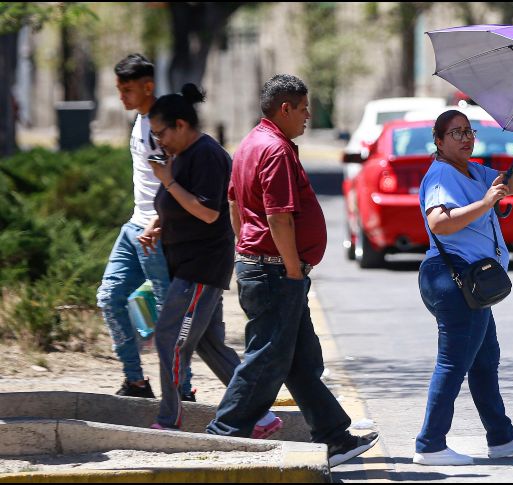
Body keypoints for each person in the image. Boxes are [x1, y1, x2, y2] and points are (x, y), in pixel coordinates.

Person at [205, 74, 379, 467]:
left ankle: (334, 438)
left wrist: (247, 248)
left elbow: (236, 206)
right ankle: (223, 433)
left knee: (300, 361)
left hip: (262, 266)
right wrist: (291, 270)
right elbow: (278, 217)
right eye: (303, 108)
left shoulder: (250, 143)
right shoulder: (276, 150)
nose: (308, 115)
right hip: (275, 272)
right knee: (266, 358)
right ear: (285, 108)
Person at [140, 84, 279, 436]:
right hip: (186, 265)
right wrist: (158, 224)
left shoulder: (206, 155)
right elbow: (177, 205)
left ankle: (170, 419)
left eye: (161, 133)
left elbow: (206, 212)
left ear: (182, 125)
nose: (158, 142)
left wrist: (168, 181)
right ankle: (260, 415)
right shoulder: (182, 155)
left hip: (200, 268)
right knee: (209, 344)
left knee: (170, 341)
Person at [413, 109, 513, 466]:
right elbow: (438, 222)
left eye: (469, 132)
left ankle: (501, 438)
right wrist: (485, 203)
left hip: (470, 282)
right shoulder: (441, 174)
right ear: (439, 142)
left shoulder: (472, 171)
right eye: (456, 133)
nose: (466, 138)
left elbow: (509, 186)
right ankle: (429, 444)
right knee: (453, 362)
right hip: (452, 278)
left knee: (485, 360)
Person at [96, 53, 193, 400]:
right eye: (119, 88)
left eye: (127, 89)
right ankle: (136, 382)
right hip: (133, 227)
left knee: (171, 316)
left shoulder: (161, 125)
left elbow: (177, 179)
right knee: (109, 297)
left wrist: (159, 223)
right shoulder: (139, 121)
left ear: (148, 87)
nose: (121, 96)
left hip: (157, 232)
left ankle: (183, 391)